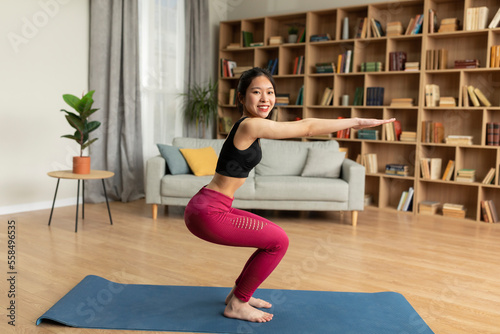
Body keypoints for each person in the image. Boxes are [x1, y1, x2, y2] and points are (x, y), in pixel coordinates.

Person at [184, 67, 395, 323]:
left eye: (270, 92)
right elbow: (306, 128)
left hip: (212, 205)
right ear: (241, 97)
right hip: (208, 212)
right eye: (256, 92)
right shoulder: (250, 125)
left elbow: (305, 126)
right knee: (278, 242)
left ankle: (238, 296)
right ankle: (238, 304)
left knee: (273, 238)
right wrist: (357, 122)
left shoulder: (250, 125)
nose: (265, 99)